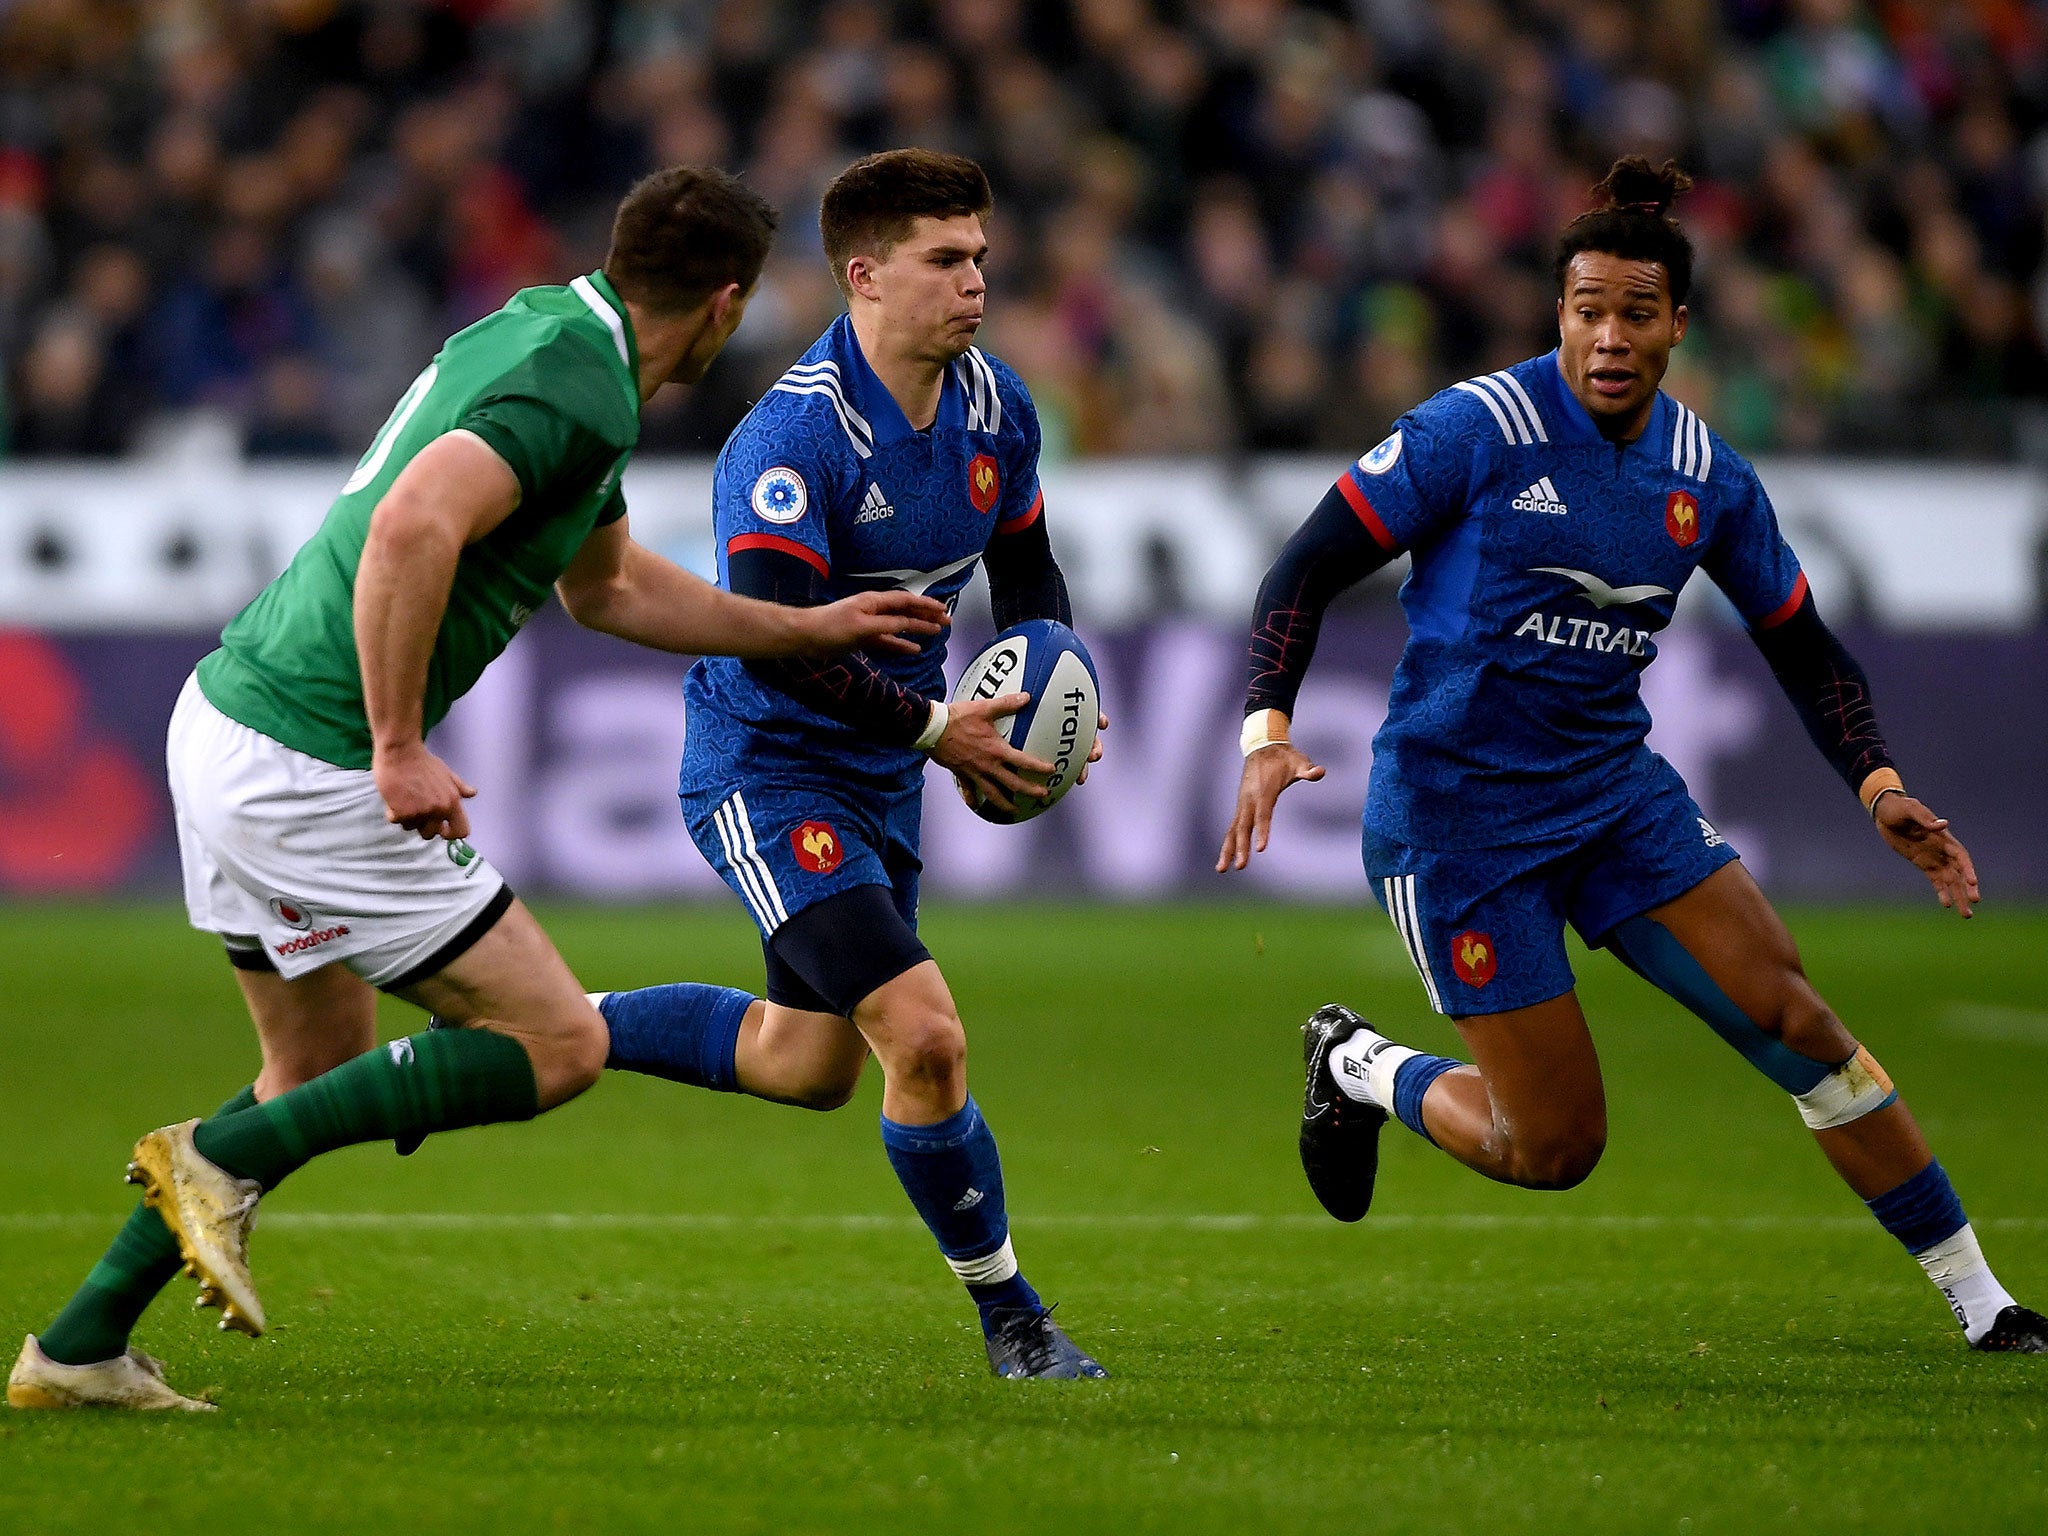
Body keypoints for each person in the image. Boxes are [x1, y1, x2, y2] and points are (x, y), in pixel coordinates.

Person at [8, 166, 950, 1413]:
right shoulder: (571, 387)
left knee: (322, 1062)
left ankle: (75, 1352)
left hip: (227, 718)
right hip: (313, 755)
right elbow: (409, 530)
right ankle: (213, 1159)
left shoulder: (551, 338)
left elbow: (606, 589)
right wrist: (396, 744)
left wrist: (802, 628)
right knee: (559, 1045)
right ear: (724, 307)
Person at [1219, 157, 2047, 1355]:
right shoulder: (1474, 430)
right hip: (1456, 824)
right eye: (1585, 310)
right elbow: (1301, 568)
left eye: (1634, 314)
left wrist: (1878, 788)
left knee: (1798, 1021)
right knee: (1552, 1148)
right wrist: (1266, 730)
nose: (1607, 337)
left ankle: (1983, 1305)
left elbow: (1804, 650)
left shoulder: (1704, 474)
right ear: (1556, 312)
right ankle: (1356, 1062)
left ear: (1677, 325)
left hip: (1612, 796)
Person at [586, 149, 1109, 1380]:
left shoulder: (996, 408)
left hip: (879, 767)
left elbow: (1025, 569)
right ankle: (1014, 1318)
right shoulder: (792, 438)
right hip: (768, 765)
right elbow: (774, 647)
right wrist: (938, 733)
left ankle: (562, 1022)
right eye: (945, 259)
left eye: (979, 254)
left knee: (804, 1063)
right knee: (922, 1039)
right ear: (864, 276)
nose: (974, 279)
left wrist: (1050, 688)